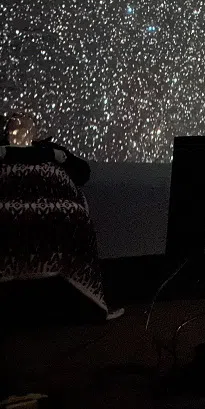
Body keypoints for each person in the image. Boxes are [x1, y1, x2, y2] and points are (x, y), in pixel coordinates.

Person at [0, 112, 122, 322]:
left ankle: (83, 305)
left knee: (77, 217)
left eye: (26, 126)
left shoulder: (51, 151)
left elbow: (82, 172)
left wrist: (57, 156)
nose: (21, 130)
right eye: (15, 126)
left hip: (58, 202)